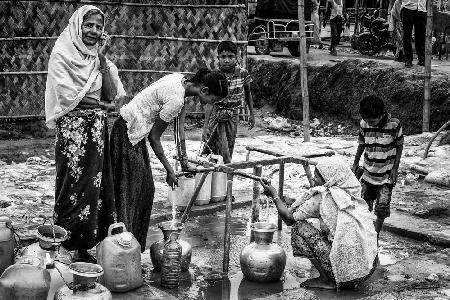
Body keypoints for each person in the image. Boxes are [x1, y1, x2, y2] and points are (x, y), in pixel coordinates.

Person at [110, 69, 228, 251]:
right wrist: (169, 170)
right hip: (127, 133)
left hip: (134, 133)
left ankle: (134, 246)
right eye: (213, 100)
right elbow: (154, 138)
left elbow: (179, 131)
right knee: (131, 192)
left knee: (145, 190)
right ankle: (124, 247)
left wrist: (184, 162)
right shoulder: (176, 99)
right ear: (204, 90)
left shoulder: (181, 81)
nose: (210, 104)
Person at [45, 5, 126, 262]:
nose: (93, 31)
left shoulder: (99, 61)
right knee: (72, 185)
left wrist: (102, 59)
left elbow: (112, 96)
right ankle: (63, 241)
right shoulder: (62, 55)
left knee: (96, 189)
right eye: (89, 25)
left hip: (96, 133)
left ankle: (84, 247)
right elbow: (69, 99)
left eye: (98, 26)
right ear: (78, 26)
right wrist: (101, 106)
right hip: (73, 134)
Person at [260, 157, 378, 289]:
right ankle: (337, 273)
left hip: (346, 275)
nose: (314, 180)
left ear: (328, 179)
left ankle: (327, 280)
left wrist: (274, 195)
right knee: (323, 227)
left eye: (316, 176)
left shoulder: (324, 197)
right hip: (367, 268)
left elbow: (288, 218)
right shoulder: (351, 192)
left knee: (299, 227)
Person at [352, 95, 403, 236]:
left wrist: (395, 168)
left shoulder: (394, 124)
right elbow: (361, 144)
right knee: (363, 207)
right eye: (367, 121)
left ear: (382, 114)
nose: (370, 124)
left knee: (381, 208)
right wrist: (356, 162)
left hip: (386, 176)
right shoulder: (364, 124)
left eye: (373, 121)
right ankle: (365, 235)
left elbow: (399, 146)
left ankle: (376, 236)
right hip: (368, 173)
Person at [201, 41, 255, 164]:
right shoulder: (214, 75)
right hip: (216, 113)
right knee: (212, 143)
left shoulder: (242, 73)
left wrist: (252, 114)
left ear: (237, 58)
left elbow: (248, 93)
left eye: (230, 57)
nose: (226, 60)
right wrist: (205, 127)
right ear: (218, 58)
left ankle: (224, 170)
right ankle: (212, 169)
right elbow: (210, 102)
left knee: (229, 143)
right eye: (223, 57)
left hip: (233, 114)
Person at [401, 0, 426, 67]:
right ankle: (408, 59)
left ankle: (422, 59)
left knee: (421, 36)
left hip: (422, 8)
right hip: (408, 7)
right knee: (407, 35)